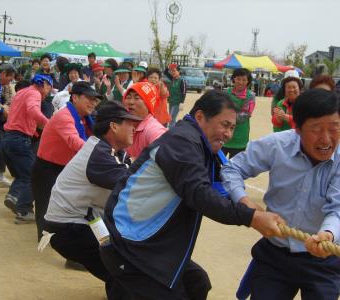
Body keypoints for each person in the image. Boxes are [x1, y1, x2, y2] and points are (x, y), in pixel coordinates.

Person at [100, 90, 285, 299]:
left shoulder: (199, 143)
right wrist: (251, 218)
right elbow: (200, 194)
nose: (228, 134)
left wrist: (245, 204)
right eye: (224, 125)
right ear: (199, 117)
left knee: (197, 282)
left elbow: (217, 186)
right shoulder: (182, 141)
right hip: (131, 243)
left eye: (232, 128)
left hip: (152, 243)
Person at [221, 88, 340, 300]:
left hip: (324, 262)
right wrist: (246, 204)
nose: (326, 139)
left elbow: (337, 208)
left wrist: (328, 235)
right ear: (297, 129)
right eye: (316, 129)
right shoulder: (277, 145)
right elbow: (231, 169)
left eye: (334, 128)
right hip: (275, 257)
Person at [41, 101, 141, 299]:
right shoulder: (99, 155)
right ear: (113, 126)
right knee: (122, 266)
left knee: (122, 265)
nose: (135, 127)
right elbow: (136, 185)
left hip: (83, 223)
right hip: (70, 229)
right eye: (129, 123)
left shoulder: (110, 150)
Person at [32, 81, 102, 240]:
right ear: (75, 98)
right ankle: (48, 240)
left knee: (68, 207)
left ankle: (60, 240)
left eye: (95, 100)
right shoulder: (65, 116)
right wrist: (100, 154)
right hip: (48, 168)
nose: (93, 103)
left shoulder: (85, 119)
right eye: (89, 98)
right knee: (46, 206)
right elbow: (74, 141)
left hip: (66, 168)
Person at [1, 74, 52, 224]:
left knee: (22, 174)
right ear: (43, 84)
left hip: (8, 139)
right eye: (49, 87)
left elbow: (18, 115)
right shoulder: (34, 93)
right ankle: (23, 210)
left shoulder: (22, 92)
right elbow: (33, 110)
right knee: (33, 176)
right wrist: (50, 125)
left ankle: (13, 196)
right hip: (19, 140)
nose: (49, 91)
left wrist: (34, 130)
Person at [123, 82, 167, 159]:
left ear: (148, 104)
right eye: (128, 97)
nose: (131, 102)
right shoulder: (124, 124)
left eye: (137, 98)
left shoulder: (153, 130)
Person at [221, 68, 255, 158]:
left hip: (240, 137)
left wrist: (226, 116)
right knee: (216, 164)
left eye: (244, 80)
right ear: (233, 79)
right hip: (222, 134)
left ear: (248, 81)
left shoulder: (250, 96)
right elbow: (219, 110)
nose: (241, 82)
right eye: (238, 79)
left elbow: (244, 116)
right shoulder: (225, 93)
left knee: (235, 167)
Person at [164, 63, 186, 128]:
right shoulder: (172, 79)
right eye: (171, 71)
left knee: (171, 119)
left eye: (174, 71)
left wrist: (182, 102)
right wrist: (169, 66)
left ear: (178, 71)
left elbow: (184, 92)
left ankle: (171, 133)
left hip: (177, 103)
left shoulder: (182, 81)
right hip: (171, 102)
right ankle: (176, 130)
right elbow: (165, 72)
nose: (172, 72)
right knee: (172, 118)